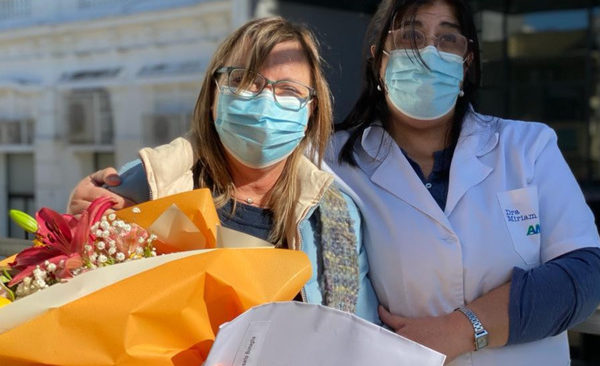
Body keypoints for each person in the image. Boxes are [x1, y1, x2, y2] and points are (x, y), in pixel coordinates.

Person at [327, 0, 600, 364]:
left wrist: (462, 329)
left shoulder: (527, 147)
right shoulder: (332, 160)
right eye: (411, 35)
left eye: (447, 38)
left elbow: (583, 272)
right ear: (379, 59)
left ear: (466, 62)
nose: (429, 51)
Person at [67, 17, 379, 323]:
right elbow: (72, 292)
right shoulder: (148, 183)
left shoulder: (336, 217)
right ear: (213, 95)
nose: (264, 100)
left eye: (288, 89)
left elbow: (358, 334)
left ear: (311, 110)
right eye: (246, 80)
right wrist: (79, 224)